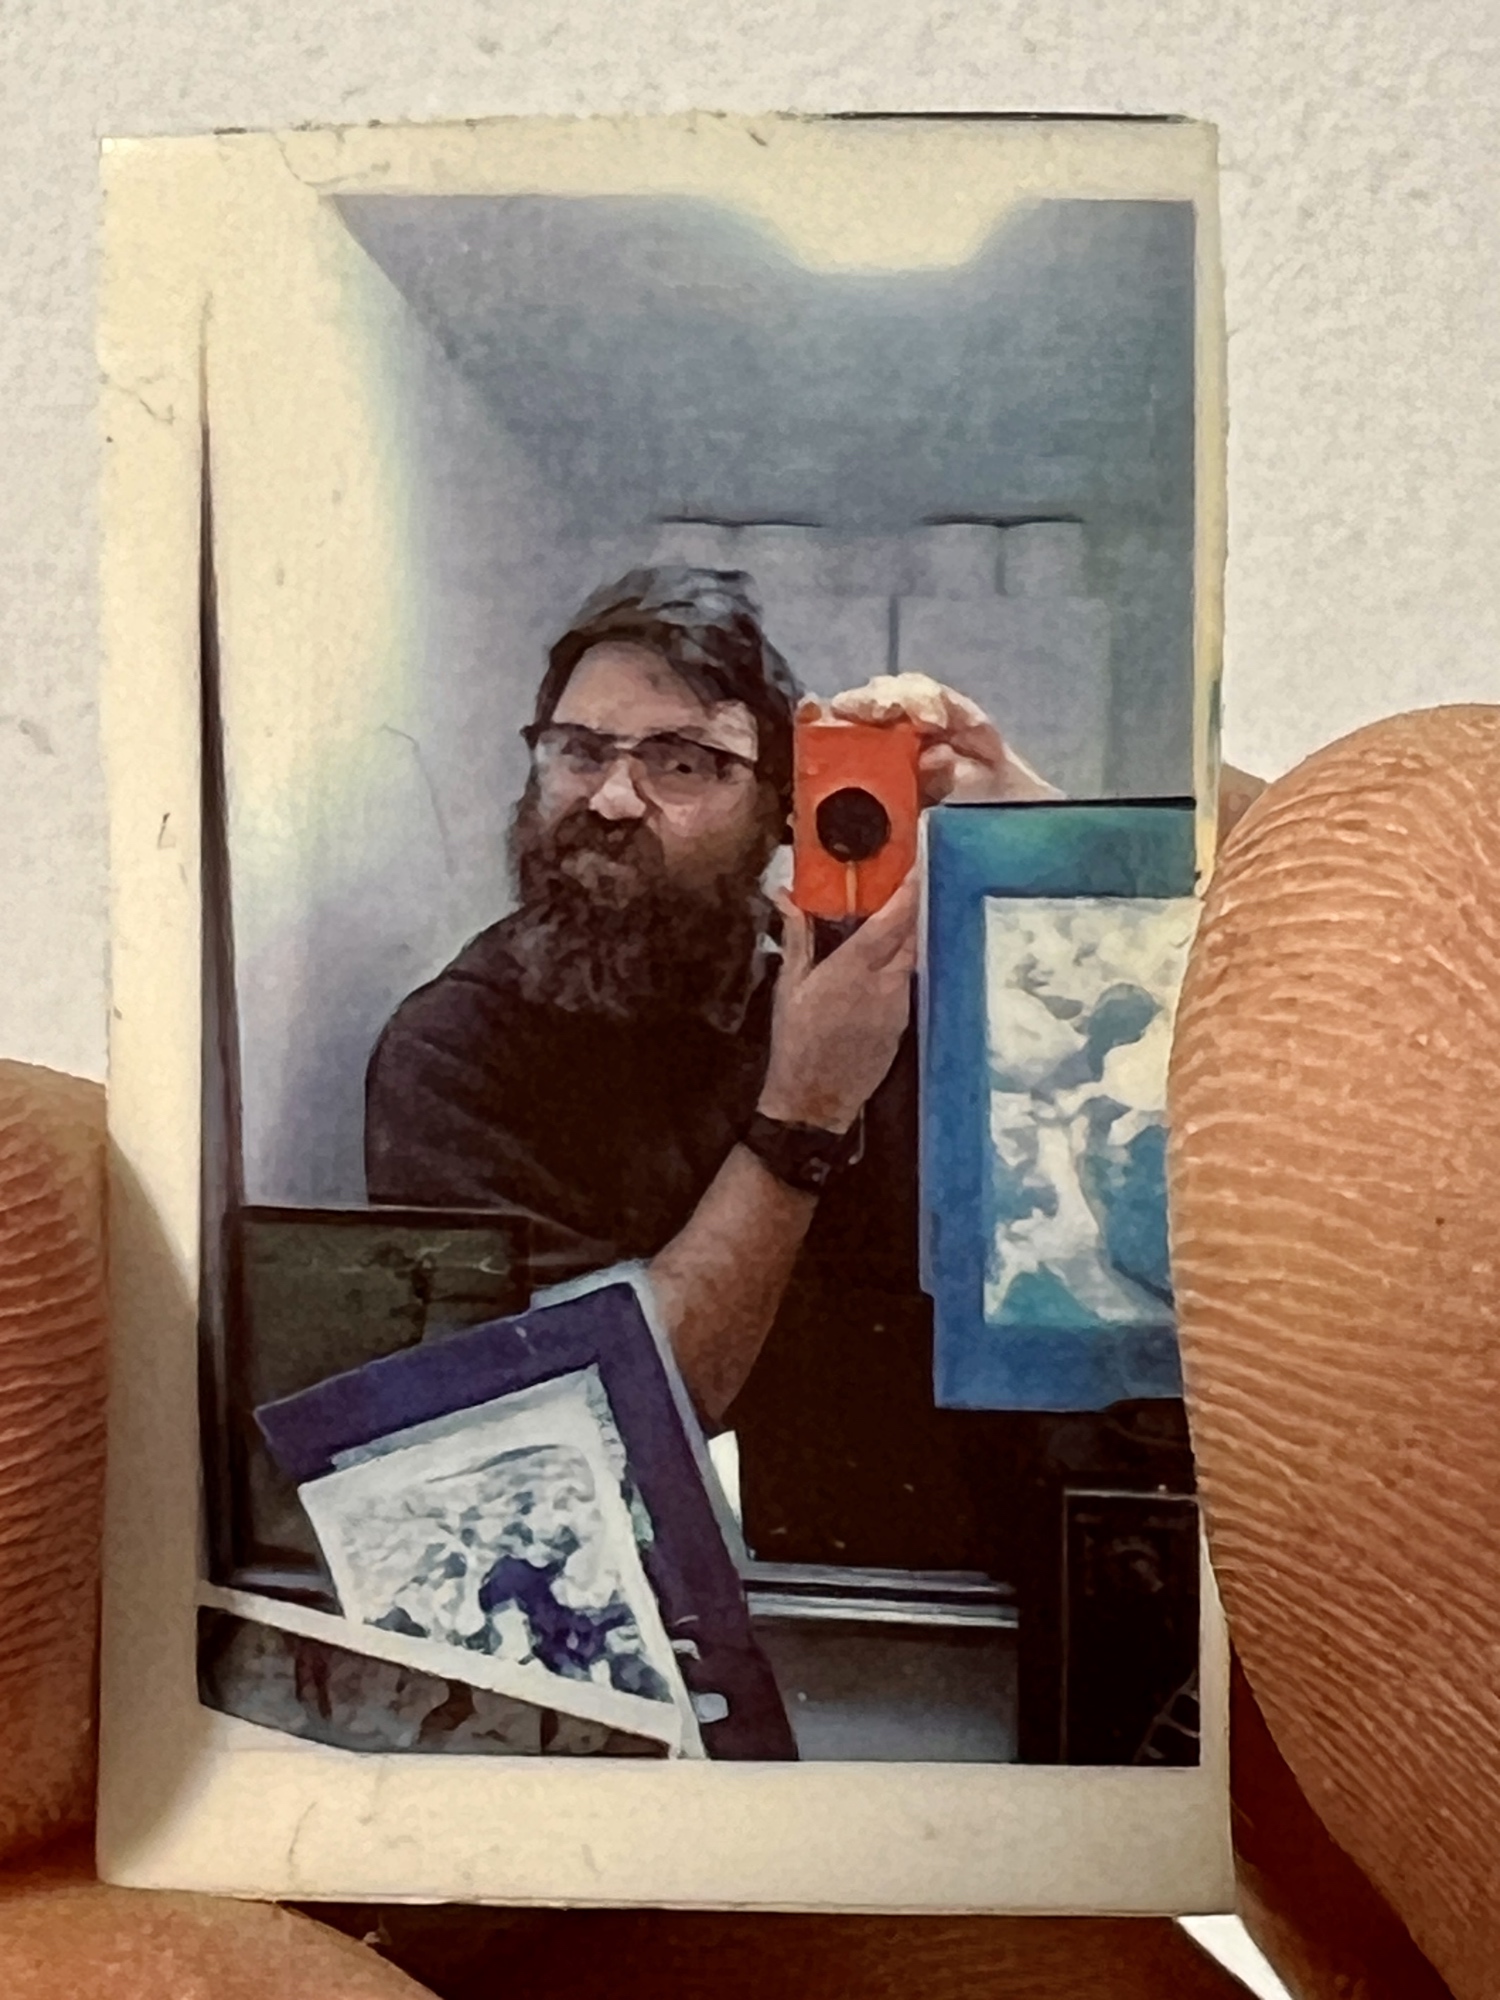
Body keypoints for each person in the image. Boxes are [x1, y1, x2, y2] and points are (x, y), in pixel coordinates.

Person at [363, 566, 1057, 1576]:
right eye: (578, 750)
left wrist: (1037, 842)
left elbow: (1132, 1133)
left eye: (681, 763)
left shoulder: (868, 998)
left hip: (919, 1603)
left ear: (783, 808)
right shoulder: (453, 1052)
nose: (610, 798)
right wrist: (804, 1112)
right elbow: (584, 1434)